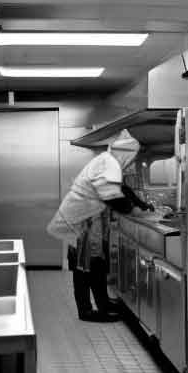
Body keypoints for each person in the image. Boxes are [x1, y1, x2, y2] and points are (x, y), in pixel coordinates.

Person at [47, 129, 153, 322]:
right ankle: (86, 310)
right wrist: (133, 210)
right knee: (86, 264)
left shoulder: (109, 162)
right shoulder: (109, 163)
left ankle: (103, 303)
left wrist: (142, 205)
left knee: (96, 262)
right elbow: (114, 197)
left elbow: (122, 188)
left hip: (88, 216)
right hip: (84, 220)